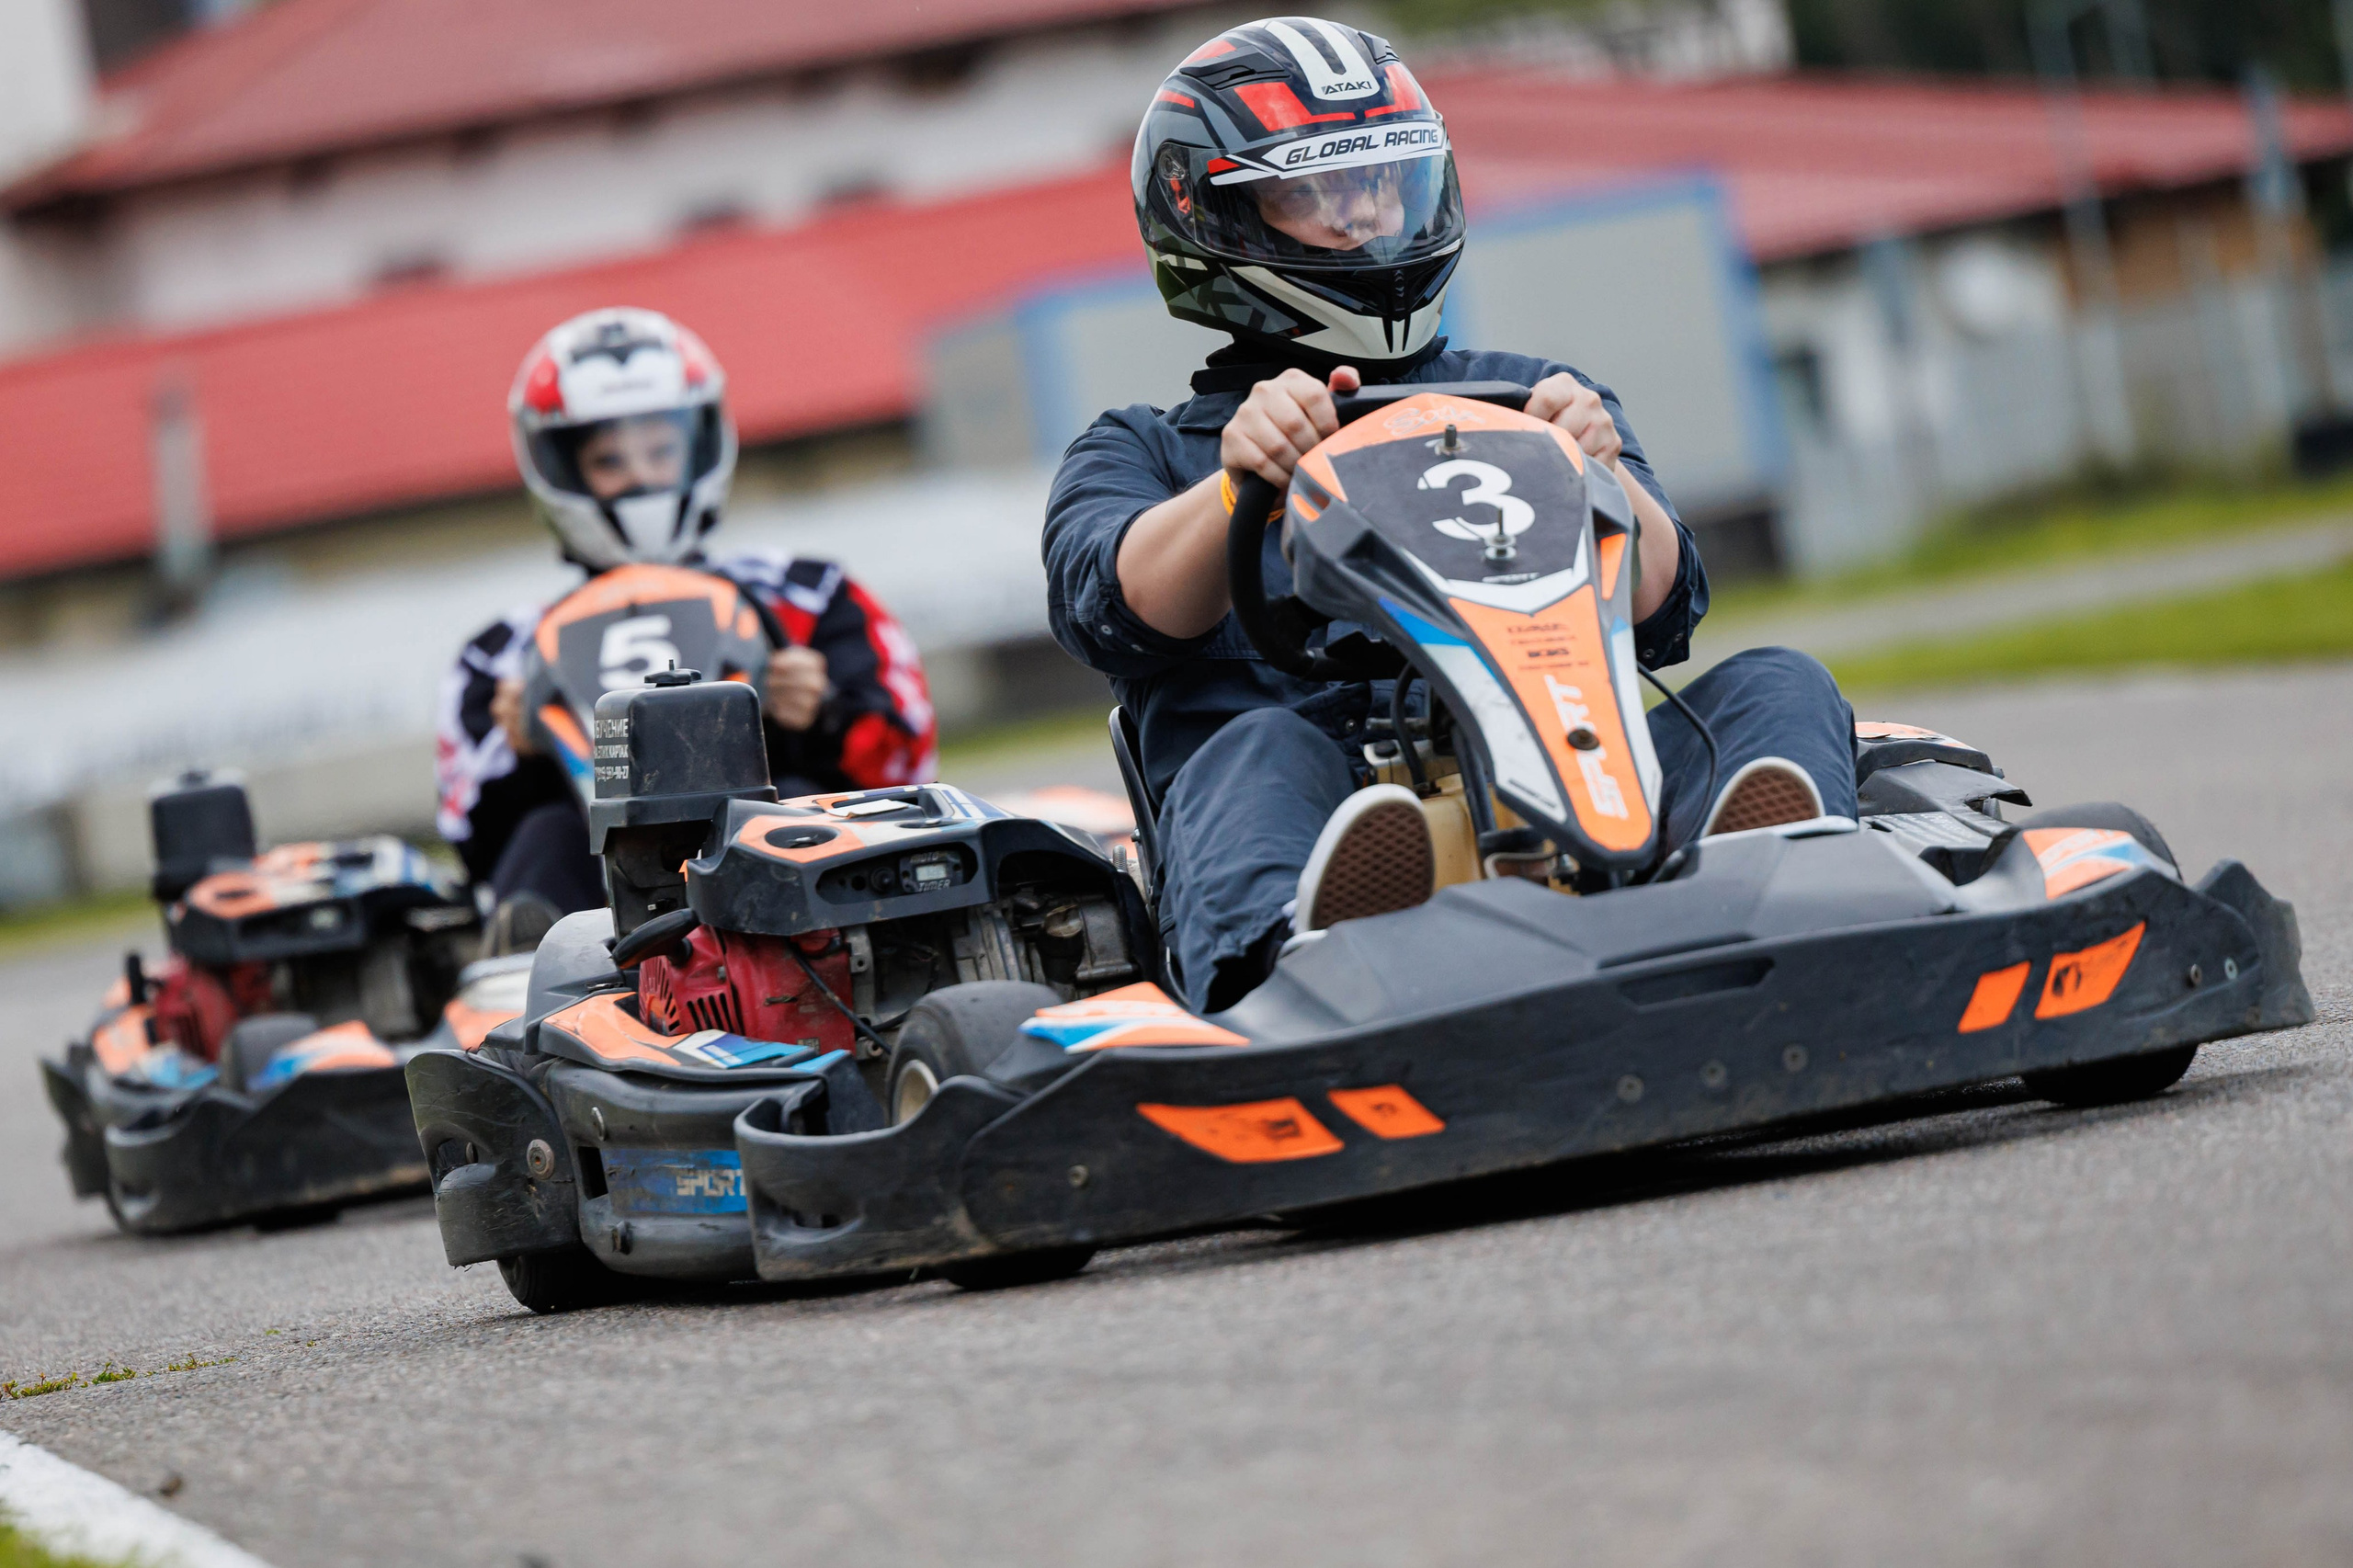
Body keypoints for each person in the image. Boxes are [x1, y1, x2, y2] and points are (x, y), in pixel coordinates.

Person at [1043, 17, 1858, 1012]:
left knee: (1779, 680)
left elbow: (1662, 609)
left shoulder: (1534, 395)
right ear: (1220, 223)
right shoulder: (1141, 450)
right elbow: (1109, 608)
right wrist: (1237, 480)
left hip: (1561, 768)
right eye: (1319, 190)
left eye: (1384, 181)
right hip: (1311, 807)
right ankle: (1307, 963)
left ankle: (1782, 892)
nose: (1367, 217)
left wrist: (1598, 469)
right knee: (1258, 752)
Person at [439, 308, 936, 945]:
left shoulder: (813, 596)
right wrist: (522, 751)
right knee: (544, 838)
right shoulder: (501, 654)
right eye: (609, 458)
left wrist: (822, 717)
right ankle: (545, 999)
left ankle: (835, 961)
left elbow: (912, 772)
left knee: (806, 803)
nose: (641, 475)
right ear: (561, 470)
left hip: (782, 876)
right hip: (596, 903)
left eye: (660, 449)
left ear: (700, 444)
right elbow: (470, 846)